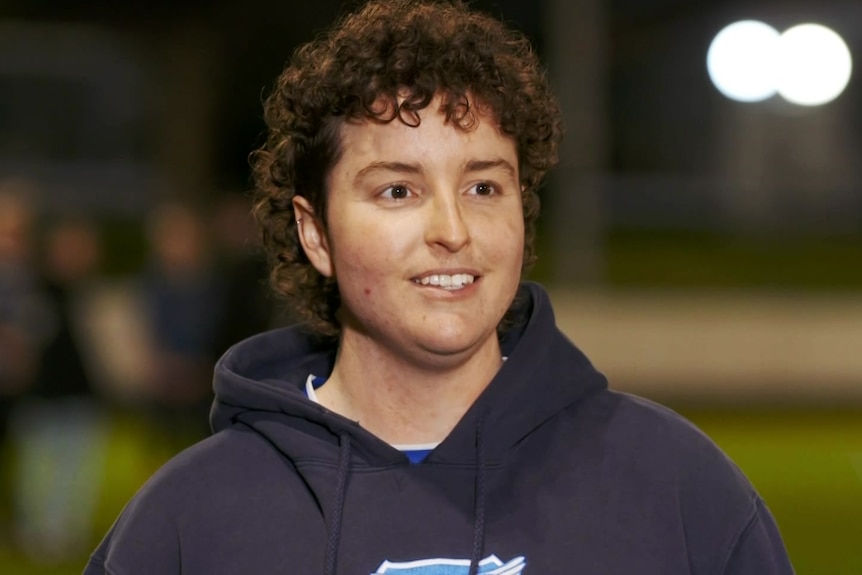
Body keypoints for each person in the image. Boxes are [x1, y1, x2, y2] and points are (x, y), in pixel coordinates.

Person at [85, 1, 794, 574]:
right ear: (316, 234)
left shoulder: (677, 489)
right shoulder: (189, 522)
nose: (452, 228)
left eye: (484, 185)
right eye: (398, 189)